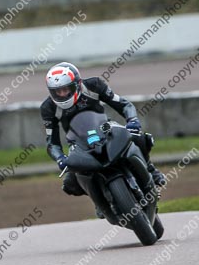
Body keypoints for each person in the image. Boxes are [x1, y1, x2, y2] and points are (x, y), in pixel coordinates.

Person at [41, 62, 166, 211]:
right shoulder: (48, 107)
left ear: (77, 84)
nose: (62, 94)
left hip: (105, 129)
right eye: (57, 91)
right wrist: (60, 158)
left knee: (138, 137)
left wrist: (132, 120)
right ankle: (98, 198)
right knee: (70, 184)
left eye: (66, 89)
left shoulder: (94, 85)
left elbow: (124, 104)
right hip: (77, 143)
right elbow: (51, 142)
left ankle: (151, 170)